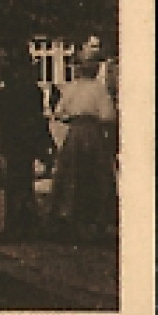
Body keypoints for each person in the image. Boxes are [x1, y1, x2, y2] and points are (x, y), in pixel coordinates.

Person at [47, 57, 118, 242]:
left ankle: (69, 216)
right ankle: (95, 217)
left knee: (72, 174)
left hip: (75, 133)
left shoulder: (71, 88)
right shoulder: (99, 90)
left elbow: (59, 112)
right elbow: (109, 115)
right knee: (96, 174)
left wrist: (70, 118)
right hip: (92, 133)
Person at [0, 48, 49, 239]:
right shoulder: (33, 91)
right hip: (25, 140)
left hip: (15, 142)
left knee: (15, 182)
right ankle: (25, 221)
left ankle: (15, 223)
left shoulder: (4, 93)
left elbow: (2, 121)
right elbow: (38, 119)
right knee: (24, 180)